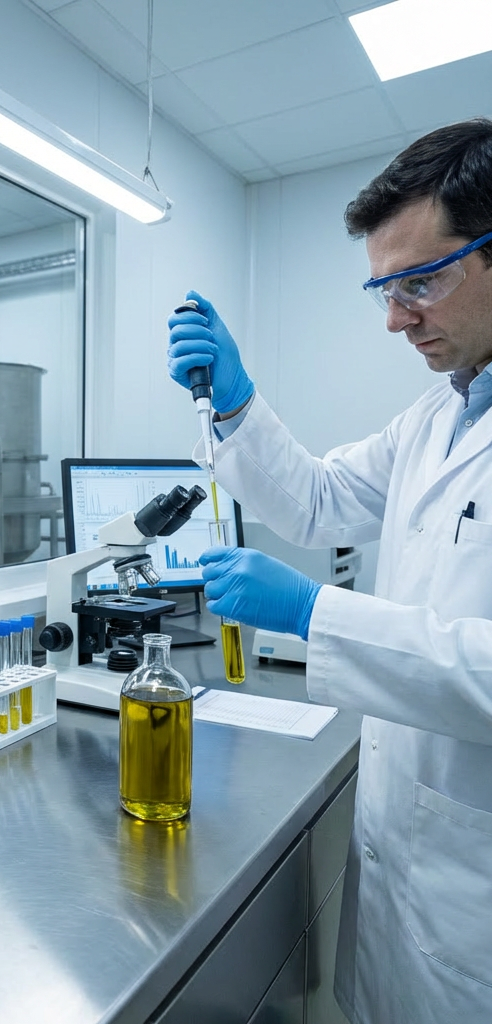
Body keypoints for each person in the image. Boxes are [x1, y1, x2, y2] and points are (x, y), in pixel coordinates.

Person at [167, 118, 492, 1024]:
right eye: (382, 289)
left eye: (421, 281)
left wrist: (318, 614)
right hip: (410, 870)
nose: (395, 318)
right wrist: (236, 401)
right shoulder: (439, 415)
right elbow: (315, 500)